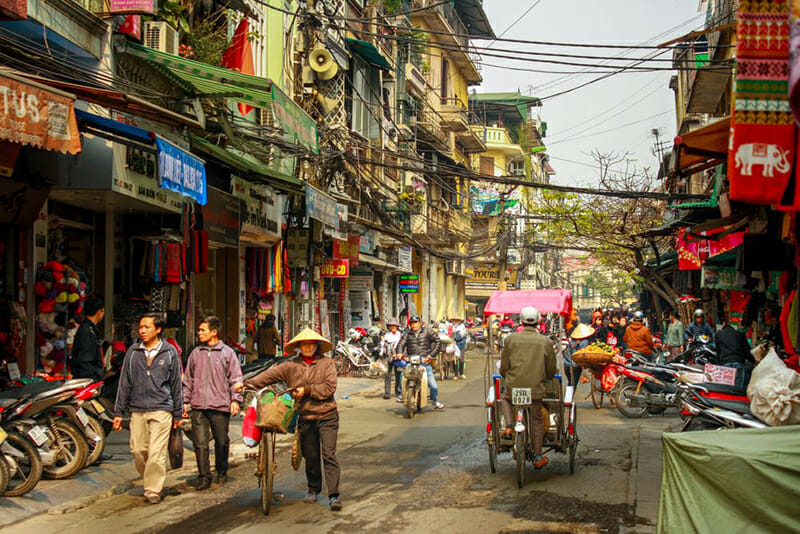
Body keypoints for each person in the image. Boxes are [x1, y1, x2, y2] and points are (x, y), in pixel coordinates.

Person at [243, 328, 342, 511]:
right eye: (303, 344)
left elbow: (329, 387)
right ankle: (313, 489)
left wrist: (306, 390)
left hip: (327, 415)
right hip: (305, 416)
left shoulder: (327, 363)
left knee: (329, 454)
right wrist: (246, 383)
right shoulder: (290, 366)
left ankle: (334, 495)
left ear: (317, 345)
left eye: (311, 343)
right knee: (311, 455)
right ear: (298, 346)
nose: (307, 346)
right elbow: (268, 376)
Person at [113, 313, 183, 504]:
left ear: (158, 330)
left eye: (147, 327)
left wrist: (178, 412)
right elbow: (124, 383)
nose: (142, 331)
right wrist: (118, 412)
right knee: (138, 450)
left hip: (162, 409)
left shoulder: (170, 353)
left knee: (156, 452)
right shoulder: (133, 352)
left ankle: (152, 489)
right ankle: (149, 477)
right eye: (141, 327)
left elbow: (176, 384)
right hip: (137, 409)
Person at [182, 316, 243, 491]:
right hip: (198, 406)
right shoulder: (196, 353)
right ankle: (204, 477)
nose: (199, 333)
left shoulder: (228, 353)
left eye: (203, 330)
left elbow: (236, 378)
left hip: (220, 405)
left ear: (214, 332)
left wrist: (235, 400)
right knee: (200, 444)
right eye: (199, 330)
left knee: (221, 441)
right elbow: (188, 379)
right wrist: (186, 401)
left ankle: (222, 470)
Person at [498, 307, 556, 469]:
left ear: (521, 321)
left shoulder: (510, 339)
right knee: (536, 420)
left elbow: (504, 366)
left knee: (505, 398)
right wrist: (548, 378)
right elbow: (551, 369)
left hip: (513, 385)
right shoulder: (546, 342)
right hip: (536, 388)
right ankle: (538, 456)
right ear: (538, 321)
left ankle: (509, 427)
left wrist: (505, 374)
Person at [396, 315, 444, 410]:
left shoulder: (427, 331)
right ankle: (402, 395)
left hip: (424, 362)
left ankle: (434, 400)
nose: (414, 325)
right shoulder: (407, 333)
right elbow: (401, 343)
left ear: (420, 323)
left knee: (433, 386)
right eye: (412, 323)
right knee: (402, 376)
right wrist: (399, 352)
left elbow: (438, 341)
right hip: (411, 362)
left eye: (416, 323)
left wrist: (431, 355)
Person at [69, 296, 106, 383]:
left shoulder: (88, 329)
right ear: (99, 311)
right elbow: (84, 361)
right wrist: (94, 378)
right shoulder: (87, 331)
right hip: (86, 381)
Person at [383, 318, 405, 401]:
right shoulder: (387, 335)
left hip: (397, 357)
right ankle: (387, 393)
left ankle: (398, 392)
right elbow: (384, 345)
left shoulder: (400, 335)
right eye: (391, 326)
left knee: (398, 375)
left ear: (397, 326)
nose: (392, 327)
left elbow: (402, 346)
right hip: (388, 357)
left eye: (394, 326)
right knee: (387, 375)